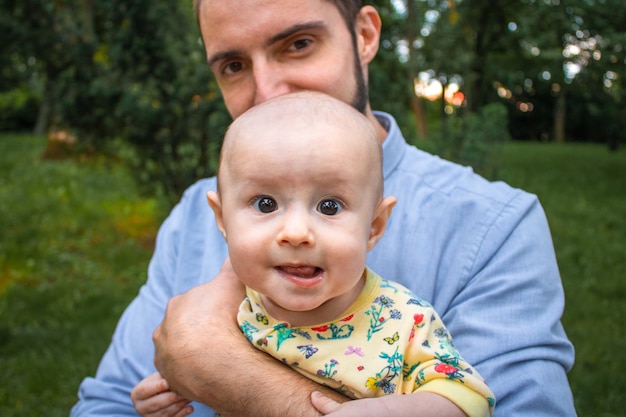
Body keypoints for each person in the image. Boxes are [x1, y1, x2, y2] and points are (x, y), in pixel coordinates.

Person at [71, 1, 576, 416]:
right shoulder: (191, 216)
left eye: (297, 44)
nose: (266, 93)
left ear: (364, 35)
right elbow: (107, 403)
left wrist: (226, 373)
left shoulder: (495, 225)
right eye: (233, 66)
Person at [131, 92, 496, 417]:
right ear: (223, 218)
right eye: (265, 203)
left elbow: (470, 397)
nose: (296, 233)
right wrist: (166, 393)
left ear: (374, 226)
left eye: (330, 206)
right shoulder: (231, 312)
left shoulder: (403, 320)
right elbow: (199, 372)